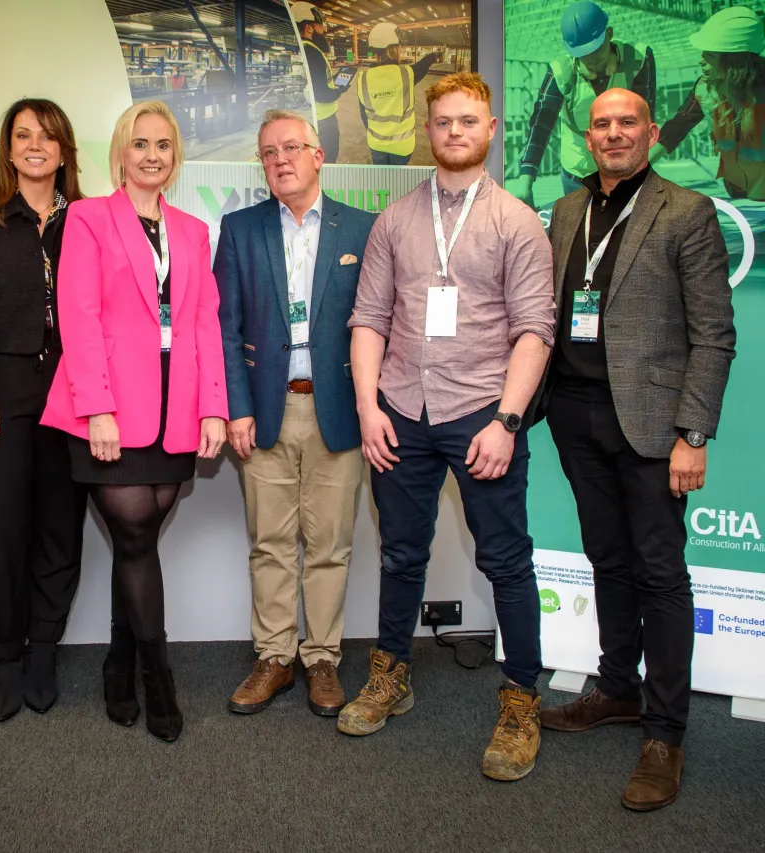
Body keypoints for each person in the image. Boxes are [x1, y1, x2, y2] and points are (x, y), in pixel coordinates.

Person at [342, 72, 555, 782]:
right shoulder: (394, 220)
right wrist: (370, 406)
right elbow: (369, 320)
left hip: (481, 416)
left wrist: (506, 420)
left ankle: (522, 699)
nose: (455, 131)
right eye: (443, 121)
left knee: (506, 561)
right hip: (402, 411)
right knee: (402, 554)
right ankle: (390, 674)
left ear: (491, 129)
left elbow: (535, 332)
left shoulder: (517, 221)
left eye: (468, 120)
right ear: (426, 131)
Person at [536, 88, 736, 812]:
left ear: (651, 132)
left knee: (659, 570)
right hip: (576, 413)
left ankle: (665, 731)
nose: (614, 133)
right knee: (606, 557)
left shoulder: (686, 211)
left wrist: (693, 434)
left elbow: (715, 333)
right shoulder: (566, 211)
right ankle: (617, 687)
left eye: (628, 123)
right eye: (601, 124)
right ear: (586, 136)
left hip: (652, 425)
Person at [41, 100, 228, 743]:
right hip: (110, 412)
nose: (153, 155)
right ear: (121, 150)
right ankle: (158, 680)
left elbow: (203, 324)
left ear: (176, 158)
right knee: (137, 534)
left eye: (165, 146)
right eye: (141, 143)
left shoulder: (194, 231)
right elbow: (79, 317)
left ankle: (118, 664)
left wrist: (212, 407)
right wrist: (97, 408)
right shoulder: (88, 219)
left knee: (133, 543)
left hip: (175, 412)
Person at [215, 109, 373, 719]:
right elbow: (226, 329)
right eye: (268, 152)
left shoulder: (362, 229)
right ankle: (275, 656)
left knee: (330, 543)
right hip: (266, 410)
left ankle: (323, 658)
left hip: (337, 408)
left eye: (292, 148)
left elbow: (379, 324)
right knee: (271, 542)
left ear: (318, 155)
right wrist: (236, 406)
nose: (280, 159)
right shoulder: (240, 229)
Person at [0, 99, 89, 722]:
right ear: (7, 148)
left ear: (64, 150)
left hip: (74, 394)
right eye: (23, 135)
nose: (35, 145)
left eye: (48, 136)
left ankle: (42, 651)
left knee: (60, 525)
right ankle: (4, 654)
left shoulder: (88, 219)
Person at [513, 1, 655, 205]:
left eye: (596, 49)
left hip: (626, 169)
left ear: (609, 34)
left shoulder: (638, 59)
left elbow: (646, 117)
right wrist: (525, 181)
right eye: (582, 54)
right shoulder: (560, 73)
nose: (591, 59)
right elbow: (540, 125)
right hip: (579, 174)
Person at [653, 6, 765, 200]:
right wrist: (636, 172)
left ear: (735, 63)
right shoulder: (706, 89)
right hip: (738, 188)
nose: (701, 61)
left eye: (710, 56)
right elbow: (677, 127)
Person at [354, 23, 440, 165]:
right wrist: (433, 56)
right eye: (399, 46)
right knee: (397, 183)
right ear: (392, 48)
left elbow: (364, 114)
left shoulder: (363, 78)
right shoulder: (407, 73)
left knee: (381, 183)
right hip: (402, 146)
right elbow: (423, 65)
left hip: (376, 144)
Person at [291, 2, 346, 163]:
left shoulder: (302, 49)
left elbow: (316, 82)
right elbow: (321, 94)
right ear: (309, 28)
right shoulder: (313, 52)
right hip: (323, 119)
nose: (324, 30)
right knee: (327, 159)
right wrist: (339, 90)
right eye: (320, 25)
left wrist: (333, 81)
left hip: (308, 116)